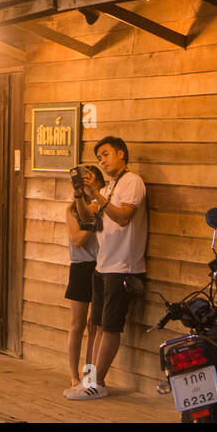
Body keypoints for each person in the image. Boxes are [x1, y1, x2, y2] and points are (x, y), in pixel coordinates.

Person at [65, 136, 148, 401]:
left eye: (105, 154)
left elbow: (124, 217)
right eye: (99, 156)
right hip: (103, 265)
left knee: (111, 326)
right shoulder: (110, 186)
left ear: (121, 154)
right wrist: (81, 194)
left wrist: (97, 196)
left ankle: (98, 383)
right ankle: (90, 379)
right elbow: (88, 218)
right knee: (98, 325)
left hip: (124, 266)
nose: (102, 160)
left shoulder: (132, 181)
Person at [64, 164, 103, 393]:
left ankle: (90, 373)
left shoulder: (104, 203)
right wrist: (93, 220)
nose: (86, 182)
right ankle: (73, 375)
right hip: (80, 267)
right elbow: (77, 240)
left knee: (94, 324)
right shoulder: (72, 209)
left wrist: (98, 212)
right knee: (77, 325)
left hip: (101, 266)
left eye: (90, 178)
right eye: (82, 179)